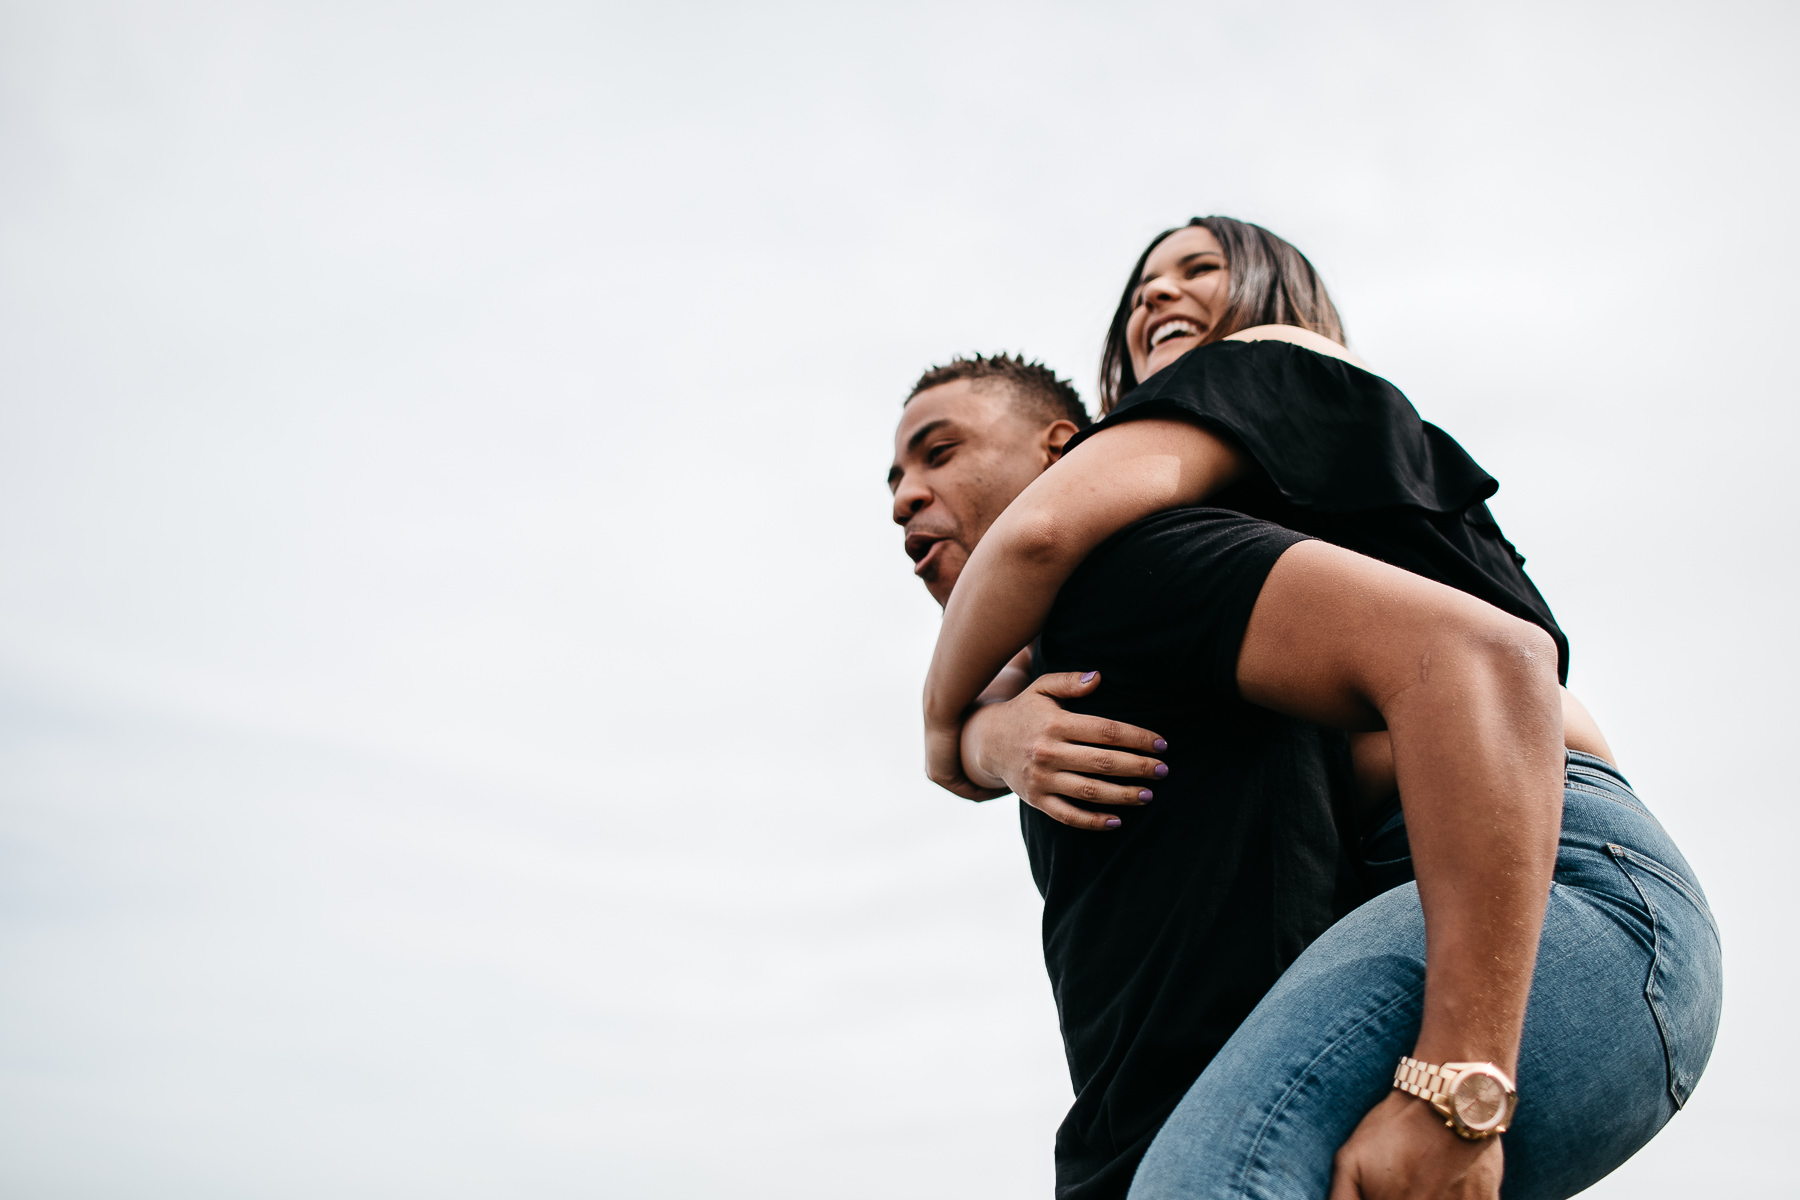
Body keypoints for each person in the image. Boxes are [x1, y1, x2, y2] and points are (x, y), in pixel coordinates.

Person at [898, 220, 1720, 1200]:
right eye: (1140, 288)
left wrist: (943, 732)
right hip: (1444, 886)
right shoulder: (1222, 537)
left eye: (1198, 268)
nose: (1153, 295)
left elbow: (1040, 534)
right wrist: (991, 738)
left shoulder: (1273, 365)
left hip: (1547, 876)